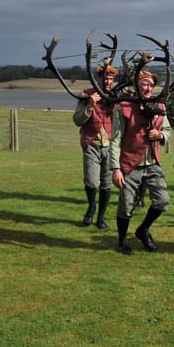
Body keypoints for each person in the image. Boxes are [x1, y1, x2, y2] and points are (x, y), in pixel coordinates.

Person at [110, 71, 172, 255]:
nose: (148, 88)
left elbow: (167, 130)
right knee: (126, 206)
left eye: (151, 85)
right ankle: (122, 241)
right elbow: (115, 140)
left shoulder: (159, 104)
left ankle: (143, 230)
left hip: (152, 164)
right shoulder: (124, 106)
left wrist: (160, 135)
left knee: (162, 201)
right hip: (130, 165)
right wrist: (116, 169)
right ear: (136, 85)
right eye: (145, 84)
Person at [72, 65, 117, 228]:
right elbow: (77, 120)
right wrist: (90, 105)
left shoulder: (116, 96)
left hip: (110, 146)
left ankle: (101, 218)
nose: (108, 81)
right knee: (91, 182)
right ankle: (91, 208)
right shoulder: (86, 95)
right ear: (98, 78)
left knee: (106, 184)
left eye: (111, 78)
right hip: (91, 144)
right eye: (105, 78)